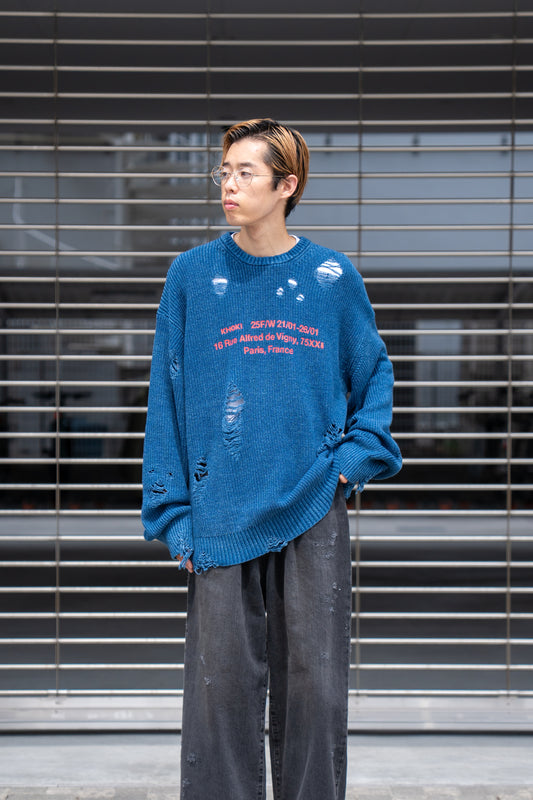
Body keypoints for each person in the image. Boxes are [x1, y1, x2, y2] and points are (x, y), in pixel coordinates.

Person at [142, 118, 402, 800]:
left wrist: (351, 463)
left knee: (315, 687)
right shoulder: (192, 276)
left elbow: (373, 375)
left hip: (312, 504)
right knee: (219, 694)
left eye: (245, 173)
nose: (228, 185)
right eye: (223, 171)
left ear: (286, 185)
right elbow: (167, 395)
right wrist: (174, 516)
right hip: (219, 513)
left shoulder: (330, 278)